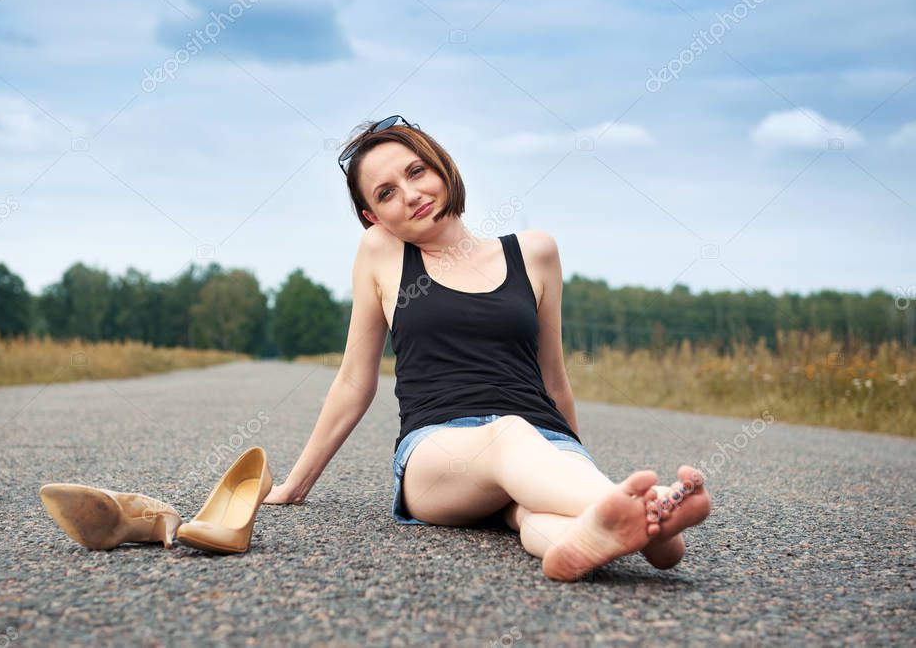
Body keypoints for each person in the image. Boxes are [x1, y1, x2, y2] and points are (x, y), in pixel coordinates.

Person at [263, 116, 711, 581]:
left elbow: (553, 379)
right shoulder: (382, 252)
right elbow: (356, 379)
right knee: (509, 434)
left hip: (542, 439)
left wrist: (570, 457)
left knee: (530, 510)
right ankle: (647, 510)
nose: (410, 194)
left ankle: (585, 540)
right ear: (373, 218)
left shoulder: (535, 252)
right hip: (439, 453)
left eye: (416, 172)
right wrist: (295, 485)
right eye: (386, 193)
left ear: (443, 167)